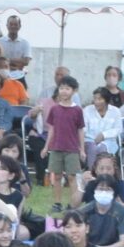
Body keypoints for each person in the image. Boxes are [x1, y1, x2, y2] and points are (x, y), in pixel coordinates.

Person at [36, 75, 86, 207]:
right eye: (61, 88)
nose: (64, 91)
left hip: (72, 149)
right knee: (56, 176)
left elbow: (80, 130)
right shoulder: (55, 109)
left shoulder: (77, 110)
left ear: (74, 91)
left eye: (67, 88)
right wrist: (46, 147)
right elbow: (51, 129)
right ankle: (57, 203)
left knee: (72, 177)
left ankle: (74, 203)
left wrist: (82, 149)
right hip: (56, 147)